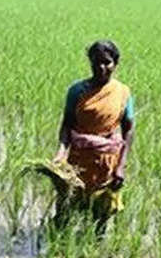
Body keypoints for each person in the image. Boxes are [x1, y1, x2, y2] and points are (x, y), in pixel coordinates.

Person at [53, 40, 134, 226]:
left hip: (106, 164)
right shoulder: (77, 91)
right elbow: (67, 125)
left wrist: (121, 166)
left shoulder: (122, 93)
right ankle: (60, 247)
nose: (101, 67)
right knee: (67, 210)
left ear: (115, 64)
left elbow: (128, 131)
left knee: (100, 217)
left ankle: (94, 249)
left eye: (107, 62)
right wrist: (60, 155)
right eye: (96, 62)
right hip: (78, 161)